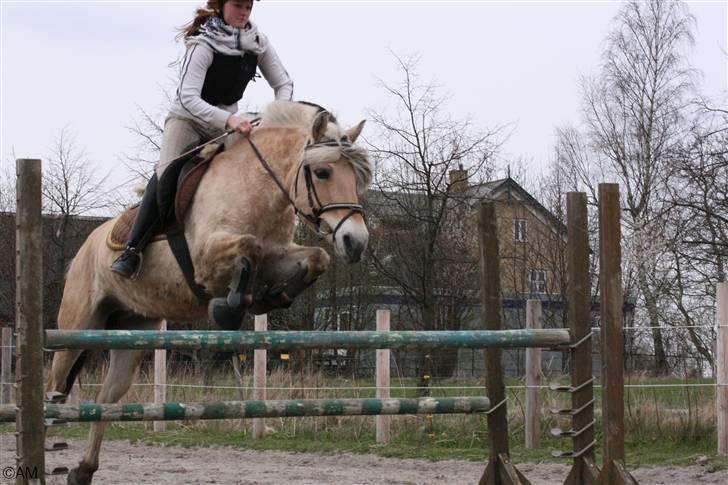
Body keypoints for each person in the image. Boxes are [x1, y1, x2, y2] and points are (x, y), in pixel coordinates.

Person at [111, 0, 293, 279]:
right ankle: (132, 251)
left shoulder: (258, 42)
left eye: (248, 7)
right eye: (237, 6)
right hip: (188, 120)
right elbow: (188, 97)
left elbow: (284, 84)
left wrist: (276, 118)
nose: (243, 12)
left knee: (254, 170)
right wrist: (228, 120)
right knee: (166, 176)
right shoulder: (203, 43)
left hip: (229, 121)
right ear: (221, 6)